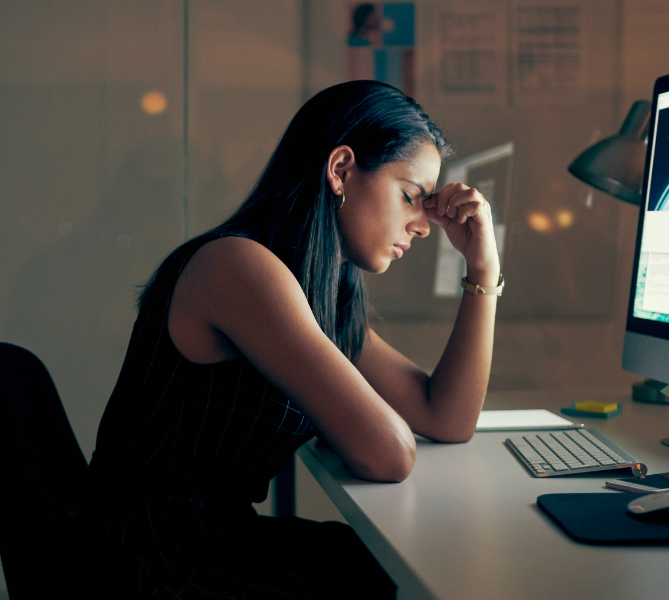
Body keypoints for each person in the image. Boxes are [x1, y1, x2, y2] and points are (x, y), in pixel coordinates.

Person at [81, 80, 500, 598]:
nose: (422, 226)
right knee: (398, 577)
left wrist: (483, 268)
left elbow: (446, 418)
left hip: (213, 538)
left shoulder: (323, 288)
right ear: (341, 169)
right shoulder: (240, 268)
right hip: (153, 561)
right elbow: (390, 455)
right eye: (411, 196)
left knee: (399, 566)